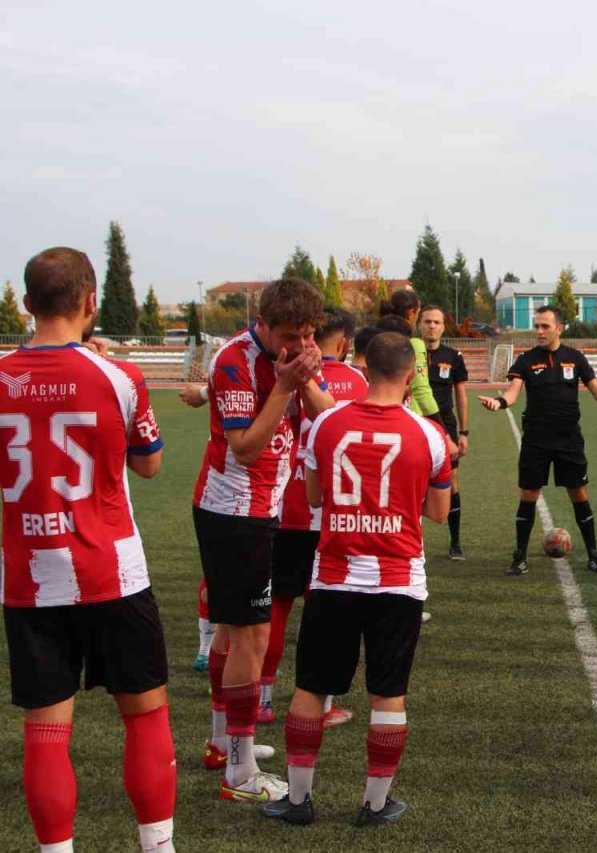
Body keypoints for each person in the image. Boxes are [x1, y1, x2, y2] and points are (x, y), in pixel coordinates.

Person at [1, 247, 175, 852]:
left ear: (26, 304)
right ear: (91, 301)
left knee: (46, 730)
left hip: (28, 577)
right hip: (112, 572)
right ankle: (158, 847)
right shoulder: (119, 377)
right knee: (145, 715)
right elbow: (149, 465)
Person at [264, 332, 452, 827]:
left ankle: (299, 800)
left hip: (334, 578)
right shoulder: (430, 435)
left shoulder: (325, 423)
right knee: (387, 693)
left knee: (311, 688)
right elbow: (438, 511)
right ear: (411, 374)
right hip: (397, 580)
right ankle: (374, 805)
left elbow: (316, 496)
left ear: (365, 369)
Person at [193, 277, 333, 803]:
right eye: (288, 336)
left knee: (233, 636)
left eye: (307, 334)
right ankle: (240, 773)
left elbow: (326, 417)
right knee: (250, 639)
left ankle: (220, 743)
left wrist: (306, 377)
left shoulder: (298, 355)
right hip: (233, 512)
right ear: (264, 326)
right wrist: (283, 385)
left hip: (261, 510)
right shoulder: (234, 360)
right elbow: (246, 448)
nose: (297, 345)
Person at [258, 309, 367, 728]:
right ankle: (318, 705)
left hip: (284, 505)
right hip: (329, 512)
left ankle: (263, 697)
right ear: (343, 344)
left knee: (277, 607)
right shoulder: (357, 381)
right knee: (320, 610)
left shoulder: (276, 371)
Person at [478, 305, 597, 576]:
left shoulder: (576, 358)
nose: (539, 331)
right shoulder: (525, 360)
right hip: (536, 440)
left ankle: (594, 555)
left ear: (559, 328)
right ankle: (519, 557)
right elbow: (512, 394)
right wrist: (498, 403)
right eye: (537, 326)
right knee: (529, 494)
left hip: (569, 440)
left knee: (578, 493)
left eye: (545, 326)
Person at [418, 305, 470, 560]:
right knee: (412, 482)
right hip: (415, 423)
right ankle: (413, 541)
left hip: (445, 426)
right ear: (419, 324)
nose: (432, 326)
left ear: (443, 327)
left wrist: (464, 431)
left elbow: (461, 396)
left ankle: (456, 542)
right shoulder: (409, 353)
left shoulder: (453, 356)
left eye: (437, 322)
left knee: (451, 483)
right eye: (427, 321)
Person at [377, 290, 439, 418]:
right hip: (407, 416)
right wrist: (443, 431)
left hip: (374, 414)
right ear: (411, 313)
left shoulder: (372, 341)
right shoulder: (413, 344)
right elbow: (422, 391)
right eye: (418, 312)